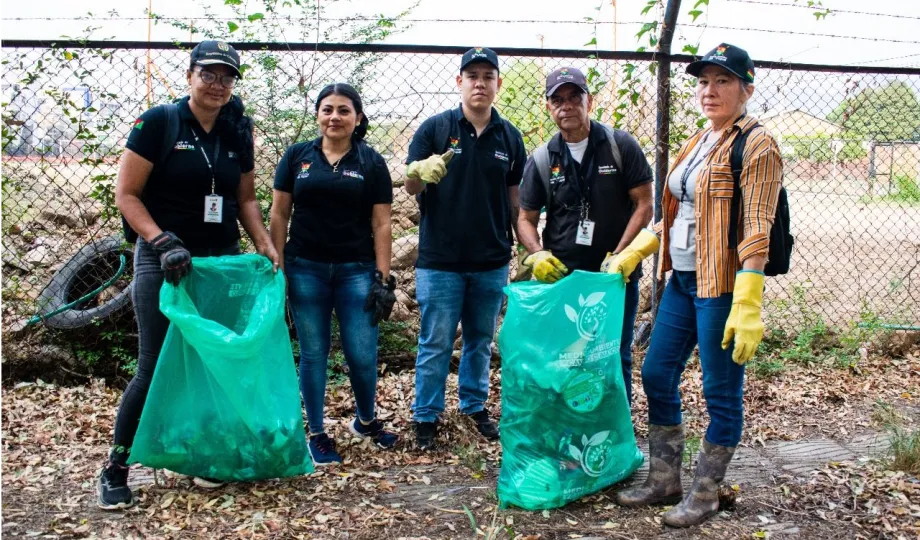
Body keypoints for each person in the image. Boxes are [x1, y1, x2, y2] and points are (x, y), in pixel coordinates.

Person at [99, 40, 279, 510]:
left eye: (227, 76)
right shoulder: (158, 122)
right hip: (166, 260)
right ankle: (116, 466)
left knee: (212, 361)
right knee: (155, 362)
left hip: (219, 263)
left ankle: (203, 455)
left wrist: (264, 244)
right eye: (209, 74)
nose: (218, 84)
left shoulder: (237, 129)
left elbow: (244, 200)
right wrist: (160, 241)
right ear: (190, 75)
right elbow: (127, 195)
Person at [610, 43, 783, 527]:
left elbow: (757, 224)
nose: (710, 91)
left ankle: (706, 494)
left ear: (746, 88)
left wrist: (748, 300)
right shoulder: (699, 140)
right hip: (683, 283)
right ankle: (665, 480)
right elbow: (677, 211)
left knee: (720, 393)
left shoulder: (758, 143)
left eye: (723, 81)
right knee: (656, 373)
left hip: (723, 286)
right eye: (704, 81)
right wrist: (637, 251)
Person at [270, 83, 399, 466]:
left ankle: (366, 420)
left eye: (344, 110)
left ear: (357, 118)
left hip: (356, 269)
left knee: (362, 353)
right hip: (305, 267)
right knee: (313, 353)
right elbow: (279, 214)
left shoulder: (371, 161)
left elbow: (382, 224)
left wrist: (382, 276)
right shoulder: (297, 157)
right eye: (328, 109)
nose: (335, 117)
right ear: (317, 115)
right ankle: (317, 432)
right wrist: (277, 265)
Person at [405, 47, 526, 450]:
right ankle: (426, 415)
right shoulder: (435, 129)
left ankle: (474, 406)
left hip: (491, 258)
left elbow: (515, 199)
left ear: (498, 85)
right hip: (440, 259)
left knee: (480, 339)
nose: (479, 83)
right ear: (459, 82)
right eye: (471, 75)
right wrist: (419, 173)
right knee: (436, 340)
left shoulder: (509, 137)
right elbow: (410, 185)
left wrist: (526, 245)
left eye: (487, 76)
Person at [517, 66, 653, 406]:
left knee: (613, 352)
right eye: (557, 100)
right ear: (548, 107)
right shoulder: (542, 159)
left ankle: (616, 423)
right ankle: (574, 422)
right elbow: (525, 218)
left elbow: (645, 204)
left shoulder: (620, 146)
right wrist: (537, 254)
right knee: (569, 354)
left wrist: (620, 254)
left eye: (574, 98)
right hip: (566, 280)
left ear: (588, 101)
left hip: (615, 278)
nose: (566, 107)